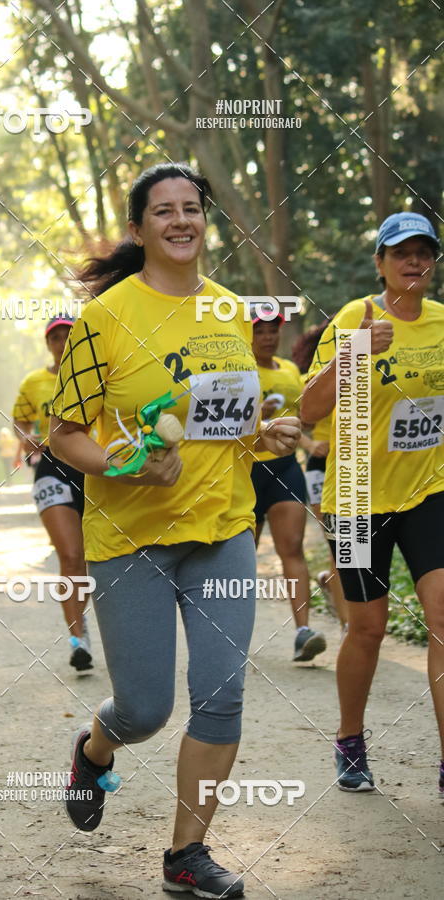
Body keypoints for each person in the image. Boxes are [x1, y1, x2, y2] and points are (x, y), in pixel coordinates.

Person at [48, 163, 301, 898]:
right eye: (164, 211)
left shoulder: (229, 312)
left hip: (221, 529)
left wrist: (266, 433)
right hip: (131, 540)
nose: (182, 221)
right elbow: (63, 435)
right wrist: (126, 467)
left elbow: (221, 421)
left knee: (221, 696)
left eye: (193, 208)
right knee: (145, 710)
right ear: (139, 230)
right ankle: (95, 750)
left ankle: (187, 855)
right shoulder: (105, 318)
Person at [301, 211, 444, 795]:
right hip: (358, 494)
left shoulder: (441, 322)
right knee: (368, 629)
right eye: (401, 252)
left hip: (429, 490)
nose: (413, 261)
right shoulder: (354, 318)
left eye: (424, 252)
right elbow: (310, 409)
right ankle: (350, 739)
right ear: (380, 263)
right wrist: (355, 352)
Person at [13, 317, 92, 673]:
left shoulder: (95, 375)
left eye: (68, 335)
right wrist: (25, 436)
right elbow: (20, 420)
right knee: (71, 556)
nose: (62, 342)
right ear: (48, 344)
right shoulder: (35, 382)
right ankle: (78, 639)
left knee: (89, 558)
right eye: (55, 337)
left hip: (93, 469)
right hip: (50, 468)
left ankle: (82, 621)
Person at [250, 312, 327, 662]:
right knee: (239, 559)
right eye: (260, 331)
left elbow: (306, 419)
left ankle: (302, 632)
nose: (267, 337)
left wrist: (310, 444)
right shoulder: (239, 370)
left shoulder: (290, 372)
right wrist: (257, 415)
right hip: (245, 470)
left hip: (284, 469)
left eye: (272, 331)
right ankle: (229, 636)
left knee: (292, 547)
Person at [291, 321, 347, 633]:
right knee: (336, 547)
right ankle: (347, 626)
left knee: (349, 550)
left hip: (353, 467)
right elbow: (298, 422)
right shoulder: (307, 380)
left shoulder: (362, 371)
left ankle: (329, 583)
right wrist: (312, 443)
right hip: (320, 466)